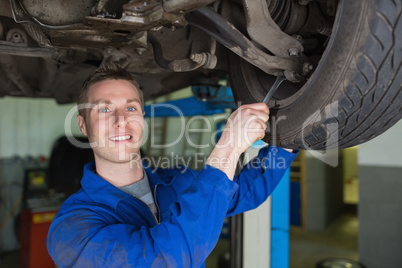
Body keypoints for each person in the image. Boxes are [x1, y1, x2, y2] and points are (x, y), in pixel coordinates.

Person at [46, 64, 298, 267]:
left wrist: (289, 137)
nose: (121, 120)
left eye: (130, 107)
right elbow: (167, 259)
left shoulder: (177, 180)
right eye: (103, 110)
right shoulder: (72, 229)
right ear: (82, 125)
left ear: (142, 117)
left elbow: (243, 193)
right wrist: (228, 147)